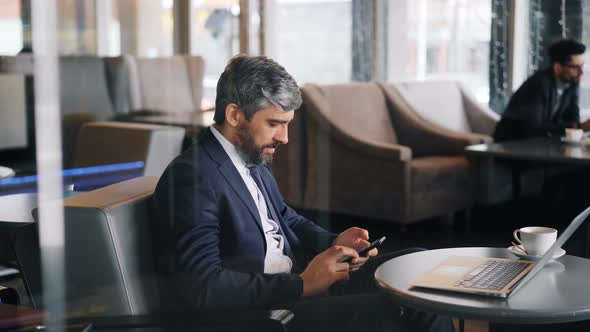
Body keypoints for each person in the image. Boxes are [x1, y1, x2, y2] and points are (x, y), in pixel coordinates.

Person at [152, 55, 453, 332]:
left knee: (417, 265)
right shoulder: (192, 178)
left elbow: (286, 218)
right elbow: (203, 287)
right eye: (275, 124)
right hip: (269, 314)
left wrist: (334, 244)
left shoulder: (250, 154)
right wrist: (301, 285)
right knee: (404, 304)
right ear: (234, 115)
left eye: (287, 125)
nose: (284, 138)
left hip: (300, 290)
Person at [494, 39, 589, 141]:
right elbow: (533, 127)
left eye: (582, 66)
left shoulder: (571, 83)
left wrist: (577, 127)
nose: (581, 72)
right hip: (512, 145)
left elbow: (573, 119)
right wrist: (578, 126)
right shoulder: (538, 84)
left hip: (541, 144)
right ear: (557, 67)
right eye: (575, 67)